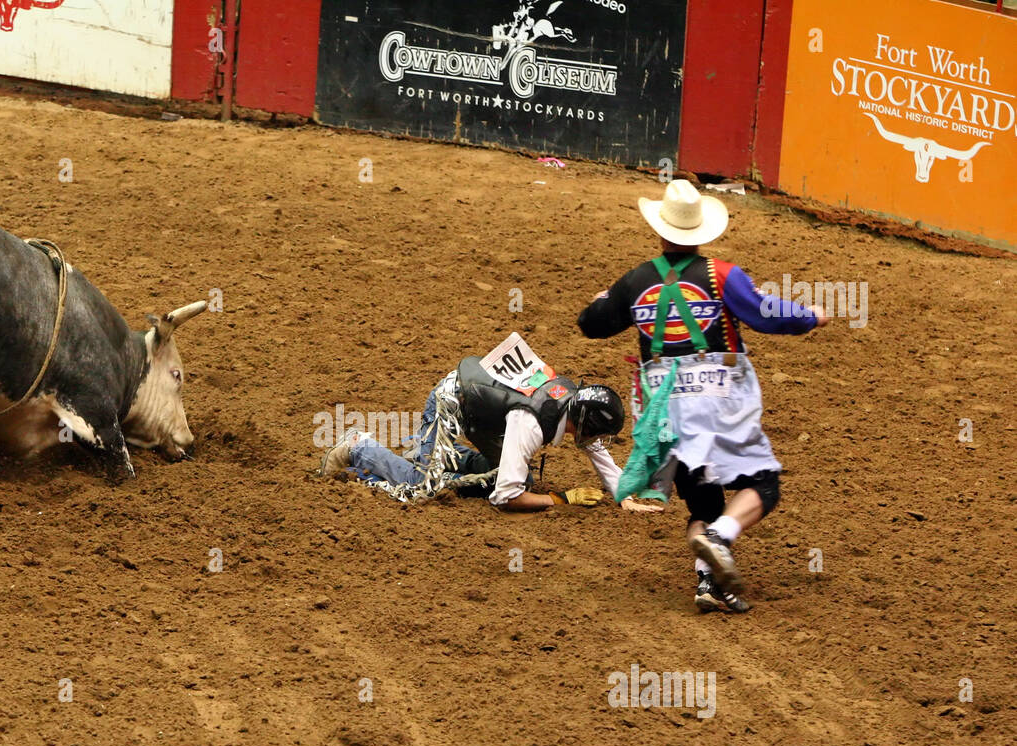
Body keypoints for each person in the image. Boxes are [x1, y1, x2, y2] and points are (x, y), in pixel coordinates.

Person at [577, 179, 829, 611]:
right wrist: (810, 316)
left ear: (661, 230)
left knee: (704, 500)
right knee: (763, 486)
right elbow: (765, 314)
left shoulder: (635, 281)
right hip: (719, 398)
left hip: (665, 409)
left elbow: (591, 323)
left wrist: (605, 298)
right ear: (700, 232)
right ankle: (720, 537)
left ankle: (708, 584)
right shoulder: (722, 275)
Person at [318, 351, 663, 514]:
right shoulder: (531, 424)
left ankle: (429, 454)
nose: (599, 443)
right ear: (584, 424)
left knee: (518, 480)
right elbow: (505, 499)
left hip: (484, 409)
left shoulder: (569, 401)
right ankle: (360, 447)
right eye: (597, 433)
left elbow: (597, 453)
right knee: (421, 490)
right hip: (450, 404)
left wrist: (625, 496)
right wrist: (560, 499)